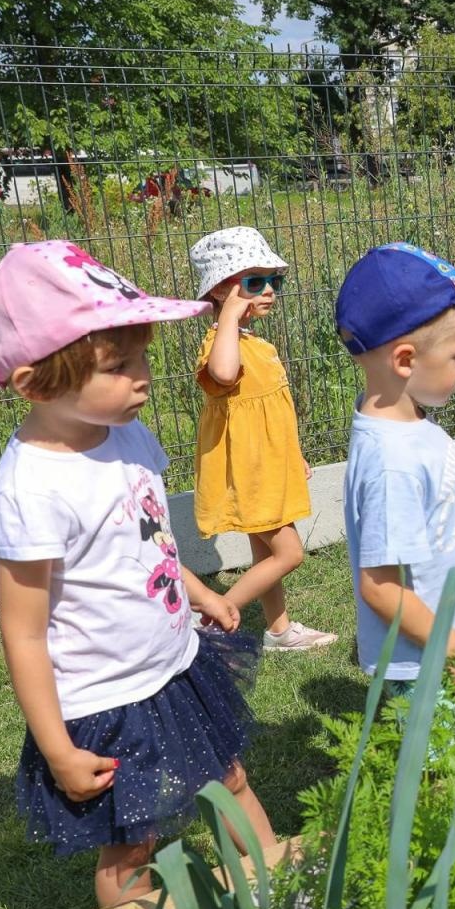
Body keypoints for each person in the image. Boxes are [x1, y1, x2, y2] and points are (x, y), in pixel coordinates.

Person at [0, 241, 275, 907]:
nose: (142, 378)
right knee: (133, 842)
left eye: (141, 357)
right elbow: (23, 634)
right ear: (34, 382)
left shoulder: (126, 434)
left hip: (175, 662)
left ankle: (278, 892)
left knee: (229, 778)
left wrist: (198, 592)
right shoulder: (30, 490)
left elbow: (150, 538)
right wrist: (58, 749)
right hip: (106, 697)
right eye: (118, 366)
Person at [336, 242, 455, 693]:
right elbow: (381, 587)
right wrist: (450, 645)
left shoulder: (409, 423)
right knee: (442, 744)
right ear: (405, 361)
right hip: (428, 666)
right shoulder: (392, 462)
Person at [189, 226, 335, 651]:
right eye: (254, 282)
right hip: (251, 472)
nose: (269, 290)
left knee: (265, 554)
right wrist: (229, 317)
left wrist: (293, 454)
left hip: (268, 466)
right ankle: (212, 617)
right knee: (289, 554)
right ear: (220, 290)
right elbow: (222, 374)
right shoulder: (222, 343)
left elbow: (270, 413)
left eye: (274, 281)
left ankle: (278, 630)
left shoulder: (253, 342)